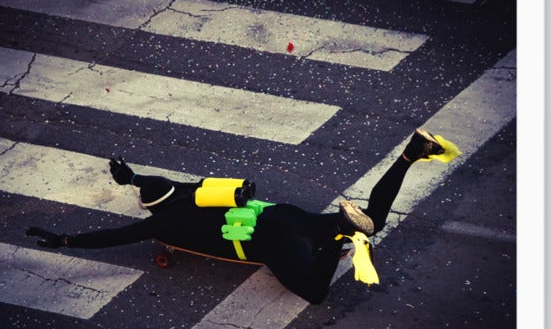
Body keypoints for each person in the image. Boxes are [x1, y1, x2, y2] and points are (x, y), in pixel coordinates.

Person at [23, 130, 458, 307]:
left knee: (314, 293)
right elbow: (152, 182)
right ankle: (410, 153)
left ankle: (340, 238)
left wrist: (64, 241)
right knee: (375, 219)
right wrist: (131, 176)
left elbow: (113, 236)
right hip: (284, 216)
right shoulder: (195, 190)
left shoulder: (159, 224)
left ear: (150, 208)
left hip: (270, 243)